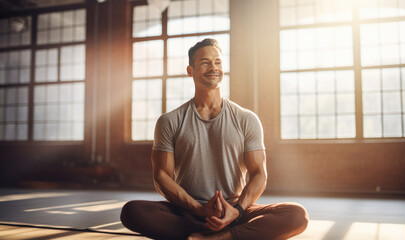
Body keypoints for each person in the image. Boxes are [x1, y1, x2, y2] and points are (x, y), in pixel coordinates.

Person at [120, 38, 309, 240]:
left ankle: (219, 236)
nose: (213, 67)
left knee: (297, 214)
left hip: (235, 209)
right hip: (189, 211)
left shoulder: (246, 119)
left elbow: (259, 174)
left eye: (218, 62)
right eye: (205, 62)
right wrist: (199, 210)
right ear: (190, 70)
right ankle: (219, 232)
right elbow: (161, 176)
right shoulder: (169, 121)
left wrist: (236, 210)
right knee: (132, 211)